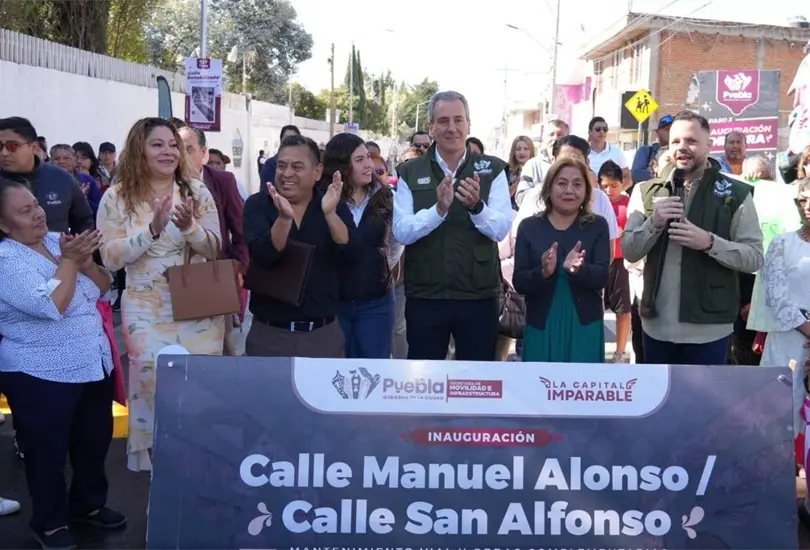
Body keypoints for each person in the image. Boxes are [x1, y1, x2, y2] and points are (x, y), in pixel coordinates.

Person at [0, 179, 126, 549]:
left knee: (93, 441)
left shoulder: (60, 242)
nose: (38, 214)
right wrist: (70, 262)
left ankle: (88, 505)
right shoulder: (6, 261)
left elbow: (102, 288)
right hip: (39, 370)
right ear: (4, 225)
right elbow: (50, 305)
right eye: (25, 211)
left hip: (91, 361)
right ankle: (50, 522)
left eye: (36, 205)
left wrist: (85, 264)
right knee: (47, 451)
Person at [97, 117, 224, 472]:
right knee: (153, 385)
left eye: (173, 145)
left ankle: (196, 473)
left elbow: (215, 248)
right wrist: (151, 230)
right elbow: (110, 257)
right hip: (145, 308)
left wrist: (190, 227)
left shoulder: (196, 191)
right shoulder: (116, 197)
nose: (168, 152)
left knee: (199, 389)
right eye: (157, 144)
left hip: (197, 305)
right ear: (139, 150)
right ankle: (162, 478)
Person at [622, 110, 764, 365]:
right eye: (676, 141)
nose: (682, 147)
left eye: (691, 141)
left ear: (709, 145)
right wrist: (653, 223)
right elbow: (629, 251)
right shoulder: (645, 191)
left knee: (705, 394)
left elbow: (754, 258)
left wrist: (710, 243)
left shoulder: (735, 194)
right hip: (656, 328)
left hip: (709, 330)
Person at [393, 90, 512, 361]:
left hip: (478, 296)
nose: (452, 128)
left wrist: (477, 208)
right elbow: (401, 232)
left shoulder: (492, 169)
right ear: (431, 127)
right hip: (426, 296)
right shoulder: (410, 171)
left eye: (458, 120)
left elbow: (500, 229)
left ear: (469, 125)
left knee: (477, 377)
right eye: (443, 121)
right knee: (424, 377)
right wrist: (438, 211)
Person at [243, 135, 353, 357]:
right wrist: (284, 219)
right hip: (269, 334)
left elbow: (349, 252)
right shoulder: (258, 205)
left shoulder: (333, 205)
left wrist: (330, 214)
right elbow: (264, 255)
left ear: (317, 171)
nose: (287, 173)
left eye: (297, 167)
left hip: (322, 335)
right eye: (281, 166)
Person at [513, 157, 610, 362]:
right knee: (540, 381)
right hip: (541, 325)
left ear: (586, 191)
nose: (569, 190)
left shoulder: (597, 225)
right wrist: (542, 273)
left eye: (577, 184)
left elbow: (602, 276)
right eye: (562, 183)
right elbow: (519, 282)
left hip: (585, 326)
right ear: (548, 188)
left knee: (584, 381)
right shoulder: (529, 227)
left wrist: (580, 270)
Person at [324, 134, 400, 358]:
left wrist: (380, 266)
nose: (369, 165)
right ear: (341, 166)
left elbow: (396, 243)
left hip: (377, 303)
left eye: (368, 157)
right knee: (337, 369)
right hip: (335, 304)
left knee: (374, 370)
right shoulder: (326, 199)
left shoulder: (385, 197)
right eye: (359, 160)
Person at [0, 117, 93, 234]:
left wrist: (77, 243)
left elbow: (84, 221)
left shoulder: (61, 178)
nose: (4, 153)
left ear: (34, 147)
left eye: (12, 146)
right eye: (0, 146)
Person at [599, 160, 632, 363]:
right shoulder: (595, 203)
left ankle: (620, 352)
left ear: (622, 183)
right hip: (600, 262)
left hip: (621, 263)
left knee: (623, 309)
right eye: (605, 186)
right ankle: (595, 350)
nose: (609, 191)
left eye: (614, 185)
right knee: (595, 309)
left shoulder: (629, 204)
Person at [517, 119, 569, 207]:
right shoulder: (532, 165)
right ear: (544, 137)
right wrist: (545, 184)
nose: (555, 138)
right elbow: (520, 199)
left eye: (560, 135)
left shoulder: (574, 165)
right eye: (551, 134)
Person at [49, 144, 103, 216]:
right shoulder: (44, 181)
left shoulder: (88, 180)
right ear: (50, 161)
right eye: (57, 158)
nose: (61, 161)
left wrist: (82, 199)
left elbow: (99, 209)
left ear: (74, 160)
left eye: (66, 158)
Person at [587, 116, 631, 189]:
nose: (602, 132)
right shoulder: (583, 152)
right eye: (598, 129)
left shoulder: (616, 151)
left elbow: (628, 178)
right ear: (590, 132)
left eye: (605, 129)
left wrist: (614, 192)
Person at [630, 114, 673, 185]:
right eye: (667, 129)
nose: (670, 133)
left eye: (673, 130)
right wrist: (657, 173)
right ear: (657, 132)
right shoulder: (646, 151)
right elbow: (636, 174)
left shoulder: (680, 152)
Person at [260, 125, 301, 194]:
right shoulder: (270, 164)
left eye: (294, 138)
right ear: (281, 141)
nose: (290, 142)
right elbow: (267, 193)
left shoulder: (303, 164)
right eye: (286, 138)